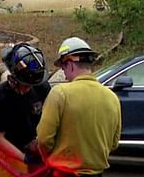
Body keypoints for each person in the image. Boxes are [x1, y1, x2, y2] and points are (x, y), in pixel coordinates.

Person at [36, 37, 121, 177]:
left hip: (64, 172)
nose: (63, 71)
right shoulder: (112, 98)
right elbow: (113, 143)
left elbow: (44, 140)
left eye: (63, 66)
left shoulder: (60, 93)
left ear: (70, 64)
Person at [0, 43, 51, 177]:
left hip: (39, 153)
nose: (28, 89)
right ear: (13, 78)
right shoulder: (0, 98)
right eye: (25, 85)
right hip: (12, 155)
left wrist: (40, 143)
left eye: (31, 85)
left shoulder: (42, 88)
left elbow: (49, 119)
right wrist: (23, 157)